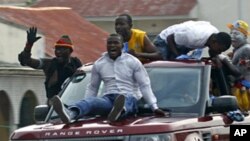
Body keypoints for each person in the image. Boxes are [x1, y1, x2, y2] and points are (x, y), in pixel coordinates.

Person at [51, 33, 166, 124]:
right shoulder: (99, 63)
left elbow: (144, 85)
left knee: (127, 99)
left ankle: (119, 112)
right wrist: (89, 108)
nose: (112, 45)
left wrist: (154, 106)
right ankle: (71, 113)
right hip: (108, 100)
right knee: (90, 102)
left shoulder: (133, 62)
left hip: (130, 97)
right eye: (109, 43)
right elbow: (92, 87)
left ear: (122, 45)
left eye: (115, 43)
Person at [18, 27, 82, 104]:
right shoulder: (50, 64)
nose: (58, 52)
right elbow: (26, 61)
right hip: (54, 107)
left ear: (70, 51)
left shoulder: (76, 63)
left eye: (62, 49)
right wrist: (29, 45)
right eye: (56, 49)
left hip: (75, 105)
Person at [215, 20, 250, 112]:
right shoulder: (238, 49)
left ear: (245, 36)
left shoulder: (245, 49)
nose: (232, 36)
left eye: (236, 34)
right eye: (231, 33)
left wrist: (224, 60)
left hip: (243, 91)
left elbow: (238, 73)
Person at [153, 20, 232, 60]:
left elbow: (212, 52)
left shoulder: (215, 35)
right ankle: (140, 55)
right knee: (163, 60)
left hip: (182, 43)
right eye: (219, 50)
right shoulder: (193, 36)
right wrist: (178, 56)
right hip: (165, 40)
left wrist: (215, 59)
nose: (219, 52)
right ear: (214, 41)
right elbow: (170, 38)